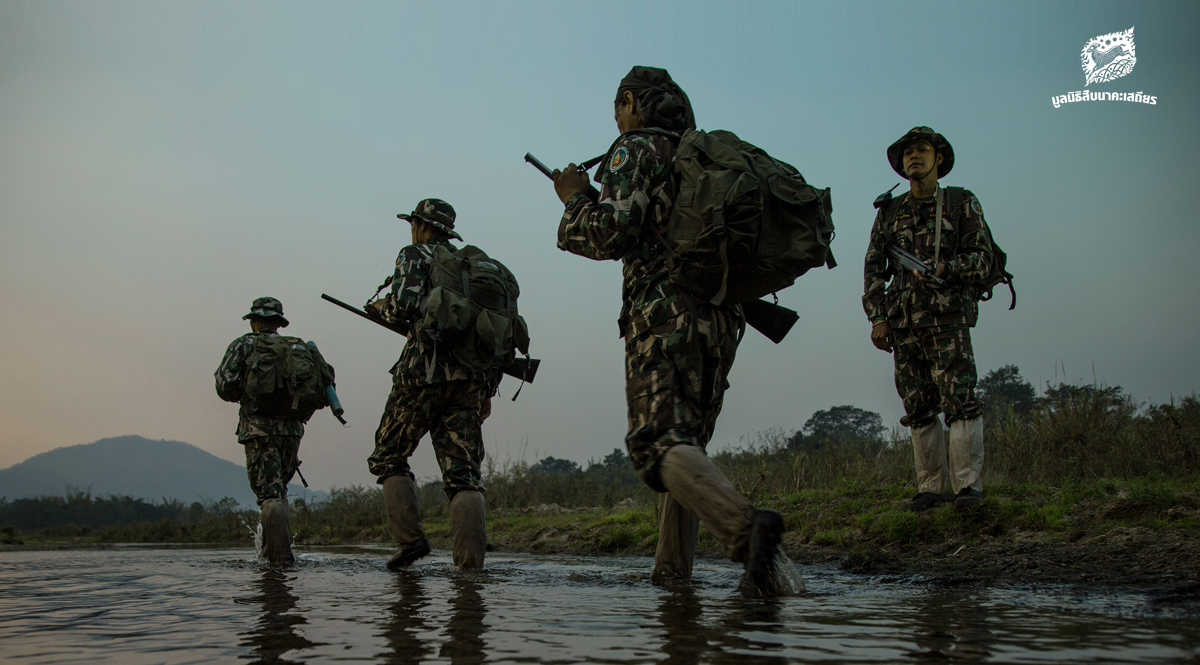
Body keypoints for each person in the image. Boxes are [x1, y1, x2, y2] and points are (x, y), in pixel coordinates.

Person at [550, 66, 787, 595]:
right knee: (687, 444)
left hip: (664, 313)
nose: (616, 120)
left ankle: (748, 532)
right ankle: (675, 579)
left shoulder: (636, 149)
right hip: (724, 317)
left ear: (631, 102)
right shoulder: (694, 155)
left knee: (656, 441)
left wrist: (573, 198)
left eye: (618, 108)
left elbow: (609, 232)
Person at [862, 126, 991, 512]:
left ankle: (969, 487)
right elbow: (873, 269)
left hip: (947, 317)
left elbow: (982, 258)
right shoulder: (890, 211)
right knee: (917, 405)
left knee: (960, 400)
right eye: (907, 153)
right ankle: (931, 489)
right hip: (903, 324)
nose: (913, 157)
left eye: (921, 150)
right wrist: (877, 317)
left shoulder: (960, 202)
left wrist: (945, 268)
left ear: (939, 159)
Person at [366, 198, 499, 571]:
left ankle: (411, 544)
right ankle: (470, 570)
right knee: (464, 475)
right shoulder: (472, 268)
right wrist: (486, 389)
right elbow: (492, 332)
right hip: (471, 379)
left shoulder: (415, 254)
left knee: (389, 453)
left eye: (414, 224)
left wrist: (381, 309)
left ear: (422, 226)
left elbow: (405, 305)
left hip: (422, 373)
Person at [215, 297, 306, 564]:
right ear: (278, 322)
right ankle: (276, 554)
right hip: (292, 431)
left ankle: (277, 564)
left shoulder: (244, 344)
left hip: (258, 430)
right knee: (280, 491)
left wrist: (247, 396)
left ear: (254, 320)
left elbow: (224, 385)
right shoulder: (295, 347)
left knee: (270, 494)